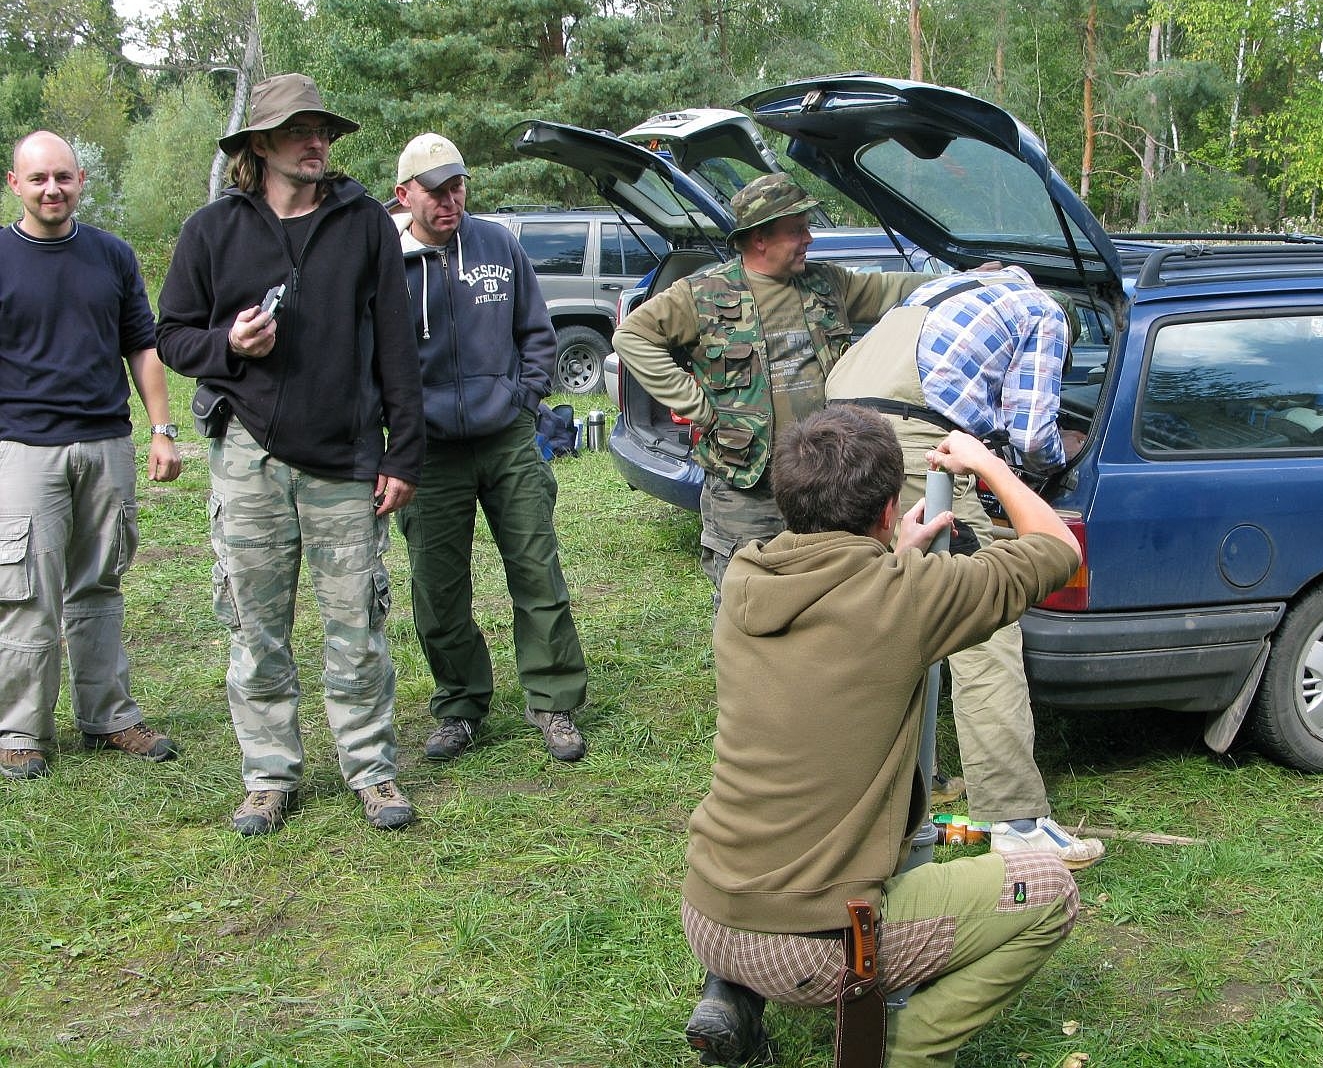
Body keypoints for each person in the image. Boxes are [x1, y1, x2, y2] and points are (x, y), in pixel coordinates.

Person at [681, 404, 1083, 1067]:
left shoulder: (747, 577)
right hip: (808, 944)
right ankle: (902, 1053)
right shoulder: (906, 599)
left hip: (711, 912)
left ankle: (736, 1002)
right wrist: (985, 464)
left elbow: (845, 601)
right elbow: (1057, 549)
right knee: (1049, 892)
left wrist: (894, 556)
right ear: (891, 507)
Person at [156, 74, 425, 835]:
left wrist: (403, 453)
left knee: (357, 626)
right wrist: (228, 346)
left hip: (346, 457)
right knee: (255, 627)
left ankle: (372, 770)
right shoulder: (212, 230)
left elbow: (398, 347)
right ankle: (269, 776)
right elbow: (171, 334)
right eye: (300, 131)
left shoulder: (365, 223)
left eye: (323, 131)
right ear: (261, 144)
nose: (317, 144)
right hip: (248, 456)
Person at [825, 267, 1102, 868]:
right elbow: (1032, 435)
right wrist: (1062, 452)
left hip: (837, 435)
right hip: (912, 442)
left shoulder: (950, 288)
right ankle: (1015, 821)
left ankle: (878, 788)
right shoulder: (1045, 313)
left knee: (883, 609)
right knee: (983, 622)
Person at [610, 173, 935, 594]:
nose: (809, 239)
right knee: (745, 596)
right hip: (747, 485)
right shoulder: (703, 294)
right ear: (760, 238)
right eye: (797, 229)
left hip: (821, 480)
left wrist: (967, 278)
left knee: (826, 592)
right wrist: (698, 406)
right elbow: (631, 337)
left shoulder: (826, 285)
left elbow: (894, 288)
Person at [392, 132, 590, 764]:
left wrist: (525, 399)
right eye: (436, 191)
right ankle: (459, 704)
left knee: (536, 567)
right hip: (427, 451)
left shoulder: (498, 245)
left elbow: (536, 330)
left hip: (507, 439)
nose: (451, 201)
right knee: (437, 586)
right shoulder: (383, 261)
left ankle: (553, 699)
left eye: (458, 188)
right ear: (404, 195)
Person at [0, 131, 183, 781]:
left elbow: (143, 347)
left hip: (105, 444)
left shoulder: (112, 255)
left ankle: (108, 717)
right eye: (38, 178)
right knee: (26, 592)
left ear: (80, 180)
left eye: (63, 177)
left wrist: (162, 429)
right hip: (24, 450)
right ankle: (21, 731)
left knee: (99, 586)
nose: (52, 189)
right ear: (15, 184)